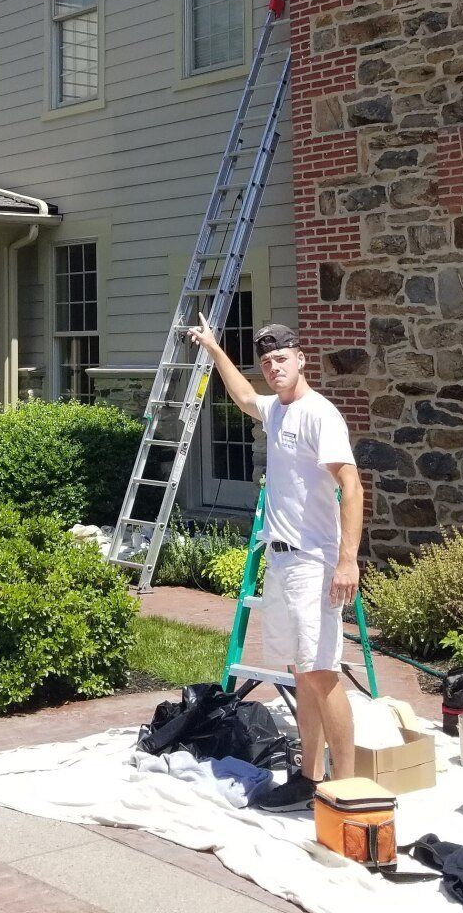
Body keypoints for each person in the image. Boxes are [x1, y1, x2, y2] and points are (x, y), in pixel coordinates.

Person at [189, 317, 363, 811]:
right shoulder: (276, 410)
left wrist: (347, 561)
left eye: (281, 358)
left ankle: (347, 791)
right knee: (301, 672)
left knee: (322, 672)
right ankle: (308, 779)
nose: (273, 368)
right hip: (281, 561)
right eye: (266, 362)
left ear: (301, 359)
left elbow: (352, 486)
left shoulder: (319, 414)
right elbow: (245, 396)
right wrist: (214, 348)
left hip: (314, 563)